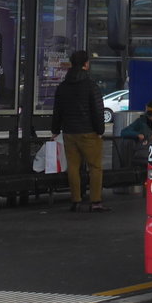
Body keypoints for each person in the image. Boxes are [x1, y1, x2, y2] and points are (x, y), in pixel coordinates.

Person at [51, 49, 109, 212]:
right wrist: (100, 130)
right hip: (88, 132)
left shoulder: (63, 86)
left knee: (73, 168)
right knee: (95, 167)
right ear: (86, 64)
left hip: (69, 132)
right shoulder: (90, 85)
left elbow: (58, 110)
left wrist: (55, 130)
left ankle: (75, 200)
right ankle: (95, 201)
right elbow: (97, 109)